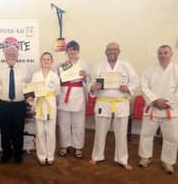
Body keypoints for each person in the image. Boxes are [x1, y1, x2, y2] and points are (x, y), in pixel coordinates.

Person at [89, 42, 139, 170]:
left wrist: (128, 87)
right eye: (109, 49)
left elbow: (135, 81)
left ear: (119, 51)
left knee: (121, 133)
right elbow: (90, 82)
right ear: (105, 52)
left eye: (115, 49)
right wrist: (93, 87)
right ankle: (97, 156)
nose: (112, 51)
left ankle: (122, 159)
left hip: (121, 103)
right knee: (100, 132)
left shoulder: (126, 65)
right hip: (103, 102)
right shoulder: (98, 66)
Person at [138, 45, 178, 174]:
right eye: (160, 53)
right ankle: (145, 157)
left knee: (172, 137)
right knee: (146, 134)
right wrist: (155, 100)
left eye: (165, 53)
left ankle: (168, 161)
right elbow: (144, 87)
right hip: (153, 108)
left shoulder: (176, 69)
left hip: (170, 110)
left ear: (171, 54)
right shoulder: (149, 70)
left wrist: (167, 102)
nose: (162, 55)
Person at [0, 37, 30, 164]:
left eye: (14, 53)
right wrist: (2, 96)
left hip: (20, 104)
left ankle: (18, 154)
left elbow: (29, 86)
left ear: (18, 54)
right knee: (5, 131)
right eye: (8, 53)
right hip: (4, 105)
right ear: (4, 54)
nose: (11, 55)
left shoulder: (25, 69)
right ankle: (6, 154)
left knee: (18, 131)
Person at [57, 40, 90, 158]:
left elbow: (88, 80)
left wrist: (85, 76)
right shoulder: (62, 63)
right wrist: (60, 74)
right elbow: (57, 80)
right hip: (64, 93)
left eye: (75, 49)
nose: (72, 51)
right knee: (64, 123)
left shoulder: (83, 64)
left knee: (78, 124)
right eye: (70, 49)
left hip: (78, 95)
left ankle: (78, 147)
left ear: (78, 51)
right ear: (67, 51)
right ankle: (64, 146)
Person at [29, 52, 60, 165]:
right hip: (39, 104)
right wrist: (30, 100)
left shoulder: (55, 76)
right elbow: (31, 91)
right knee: (40, 132)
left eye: (48, 59)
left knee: (50, 132)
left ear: (52, 62)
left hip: (50, 104)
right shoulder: (36, 75)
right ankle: (41, 155)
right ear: (41, 61)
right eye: (44, 59)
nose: (46, 61)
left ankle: (50, 155)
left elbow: (57, 92)